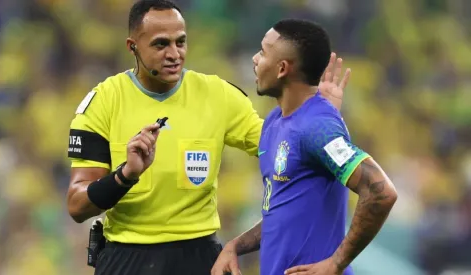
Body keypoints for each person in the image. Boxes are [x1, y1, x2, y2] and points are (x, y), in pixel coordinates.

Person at [66, 0, 348, 274]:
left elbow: (287, 148)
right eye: (161, 44)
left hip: (199, 256)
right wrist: (125, 175)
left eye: (181, 42)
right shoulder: (103, 102)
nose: (174, 54)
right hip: (126, 256)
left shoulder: (217, 95)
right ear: (133, 47)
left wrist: (320, 115)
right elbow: (77, 206)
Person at [211, 19, 398, 275]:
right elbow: (280, 214)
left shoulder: (316, 127)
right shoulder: (275, 123)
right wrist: (235, 246)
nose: (255, 59)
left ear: (282, 69)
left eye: (263, 52)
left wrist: (336, 263)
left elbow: (381, 192)